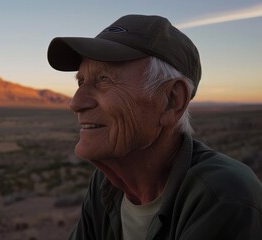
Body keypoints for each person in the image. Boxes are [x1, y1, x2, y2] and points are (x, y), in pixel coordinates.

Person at [47, 14, 262, 240]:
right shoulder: (106, 185)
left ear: (171, 101)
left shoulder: (224, 197)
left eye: (104, 79)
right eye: (81, 82)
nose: (76, 103)